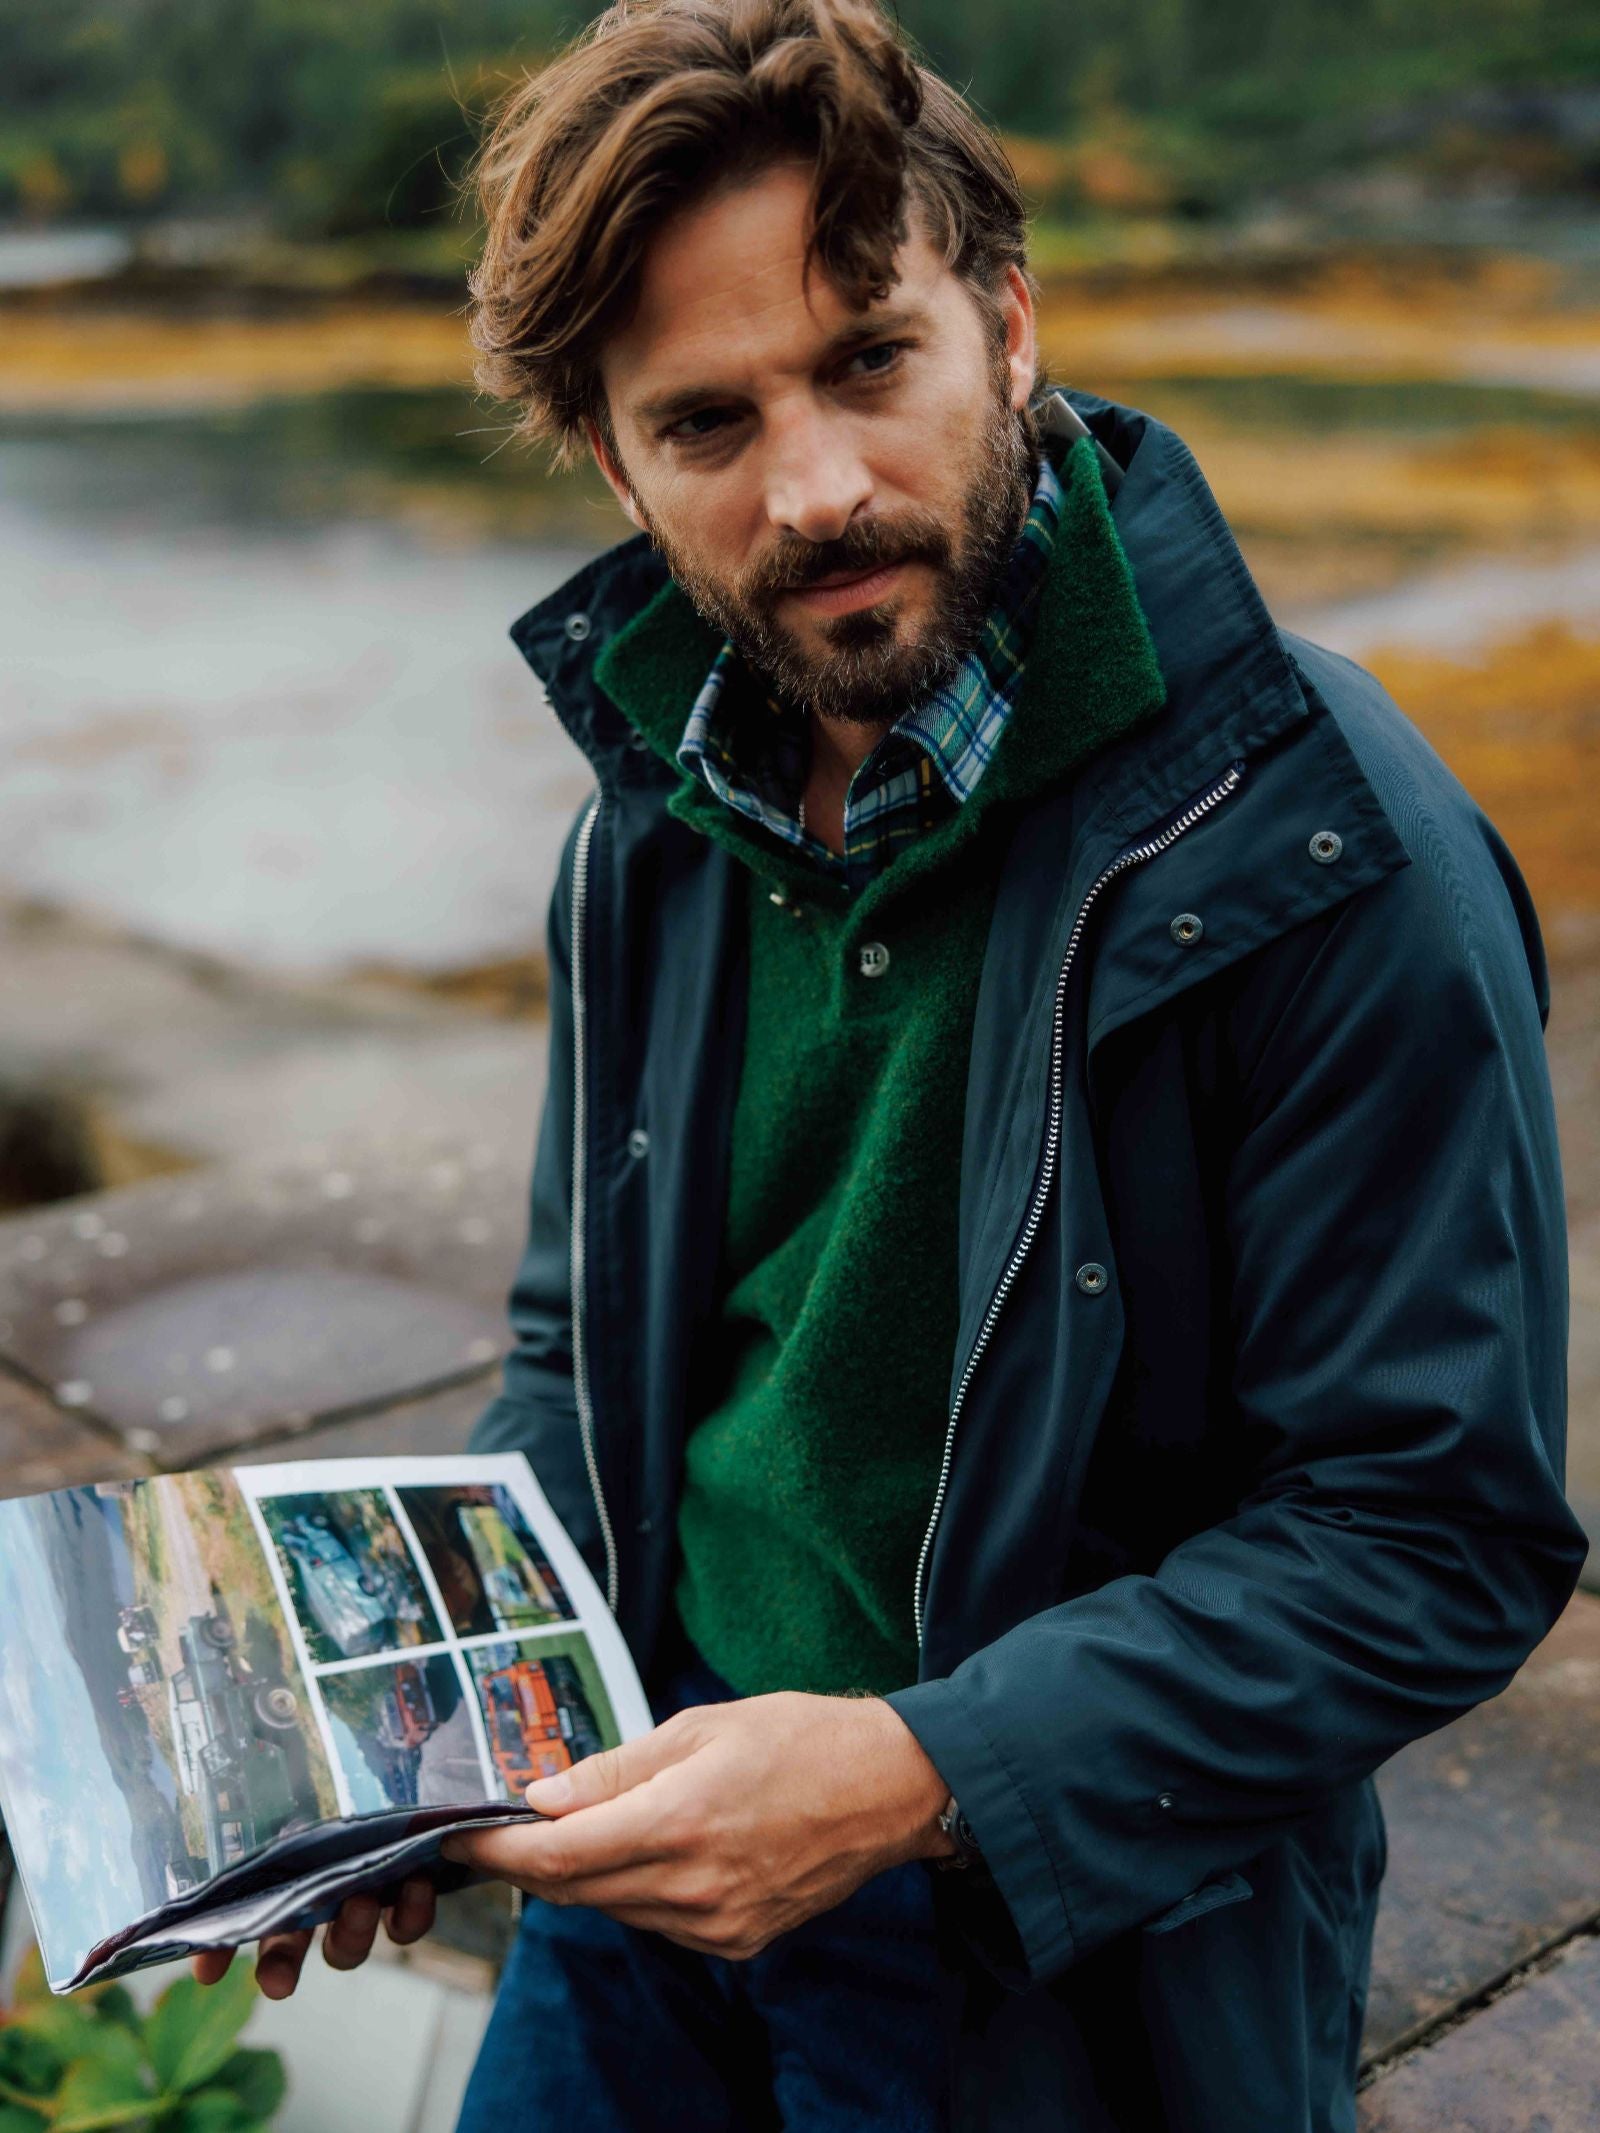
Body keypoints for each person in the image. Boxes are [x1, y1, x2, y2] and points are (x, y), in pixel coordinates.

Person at [193, 2, 1587, 2125]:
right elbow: (591, 1346)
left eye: (867, 362)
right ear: (613, 463)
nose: (817, 487)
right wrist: (412, 1737)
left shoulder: (1332, 850)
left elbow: (1431, 1531)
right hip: (638, 1857)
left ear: (1005, 324)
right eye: (707, 422)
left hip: (1046, 1960)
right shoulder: (644, 821)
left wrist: (923, 1769)